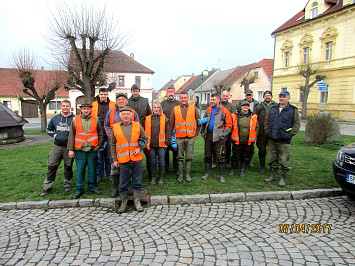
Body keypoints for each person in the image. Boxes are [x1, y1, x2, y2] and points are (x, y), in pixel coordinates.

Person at [111, 106, 148, 213]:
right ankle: (124, 202)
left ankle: (137, 201)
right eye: (124, 114)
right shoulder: (116, 127)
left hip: (136, 159)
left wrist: (140, 148)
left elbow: (145, 139)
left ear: (131, 115)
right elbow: (113, 144)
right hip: (122, 160)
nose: (126, 116)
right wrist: (115, 159)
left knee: (137, 181)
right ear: (120, 116)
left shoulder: (137, 125)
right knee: (123, 183)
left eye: (128, 114)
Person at [104, 92, 140, 198]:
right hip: (115, 145)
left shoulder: (133, 112)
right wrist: (112, 136)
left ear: (127, 101)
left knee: (128, 165)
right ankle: (115, 188)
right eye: (119, 99)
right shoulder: (111, 112)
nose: (121, 101)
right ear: (116, 101)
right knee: (115, 166)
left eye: (123, 99)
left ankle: (127, 187)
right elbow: (106, 125)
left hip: (129, 146)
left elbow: (137, 126)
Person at [67, 102, 104, 199]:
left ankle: (93, 187)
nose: (86, 110)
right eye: (84, 109)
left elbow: (101, 134)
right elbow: (71, 135)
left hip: (92, 150)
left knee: (92, 171)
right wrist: (70, 149)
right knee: (80, 171)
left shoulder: (96, 120)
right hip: (79, 150)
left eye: (88, 108)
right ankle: (79, 189)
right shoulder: (75, 120)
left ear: (90, 109)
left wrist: (98, 146)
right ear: (81, 110)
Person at [265, 90, 300, 187]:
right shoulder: (273, 109)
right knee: (272, 159)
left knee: (284, 160)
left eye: (284, 97)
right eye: (280, 96)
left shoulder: (292, 110)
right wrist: (267, 131)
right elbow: (267, 121)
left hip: (284, 140)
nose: (282, 98)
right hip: (272, 138)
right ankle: (273, 175)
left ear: (288, 98)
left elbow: (296, 123)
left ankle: (283, 178)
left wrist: (290, 134)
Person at [40, 100, 75, 197]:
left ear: (70, 107)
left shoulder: (74, 119)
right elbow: (48, 129)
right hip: (57, 146)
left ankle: (67, 184)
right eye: (63, 106)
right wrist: (54, 135)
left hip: (69, 147)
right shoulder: (55, 118)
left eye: (67, 106)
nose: (65, 108)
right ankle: (47, 186)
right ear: (61, 107)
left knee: (68, 167)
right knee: (52, 166)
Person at [200, 93, 232, 183]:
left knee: (221, 156)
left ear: (218, 100)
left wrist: (223, 135)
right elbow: (204, 121)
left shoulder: (224, 110)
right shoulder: (208, 110)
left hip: (219, 137)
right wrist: (202, 131)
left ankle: (221, 175)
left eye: (213, 100)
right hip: (209, 136)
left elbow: (229, 124)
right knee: (207, 155)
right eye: (211, 99)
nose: (211, 101)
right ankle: (207, 173)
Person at [170, 92, 200, 183]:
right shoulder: (175, 109)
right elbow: (171, 124)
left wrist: (196, 134)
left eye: (185, 98)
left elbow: (198, 122)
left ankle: (187, 175)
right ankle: (180, 175)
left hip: (190, 137)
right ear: (180, 99)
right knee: (179, 157)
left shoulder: (193, 108)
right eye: (182, 98)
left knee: (189, 157)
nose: (183, 99)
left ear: (188, 98)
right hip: (179, 137)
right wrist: (172, 137)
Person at [128, 84, 152, 178]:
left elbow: (149, 115)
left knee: (148, 153)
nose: (135, 92)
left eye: (137, 91)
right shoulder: (128, 102)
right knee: (132, 153)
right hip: (131, 131)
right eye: (133, 91)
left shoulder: (145, 101)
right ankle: (132, 174)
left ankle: (151, 173)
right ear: (131, 92)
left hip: (144, 130)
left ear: (139, 91)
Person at [92, 88, 115, 183]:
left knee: (109, 156)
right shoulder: (93, 105)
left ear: (108, 95)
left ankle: (109, 174)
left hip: (109, 135)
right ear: (99, 95)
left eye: (105, 94)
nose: (103, 96)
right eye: (102, 94)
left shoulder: (112, 105)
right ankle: (99, 175)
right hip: (97, 136)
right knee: (99, 157)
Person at [230, 101, 258, 178]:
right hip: (237, 140)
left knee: (246, 156)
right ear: (241, 107)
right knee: (235, 155)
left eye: (247, 105)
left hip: (248, 141)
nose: (245, 107)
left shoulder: (253, 116)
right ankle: (233, 169)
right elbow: (230, 126)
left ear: (249, 107)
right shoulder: (235, 116)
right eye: (243, 105)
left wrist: (255, 135)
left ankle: (242, 169)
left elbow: (257, 128)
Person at [145, 101, 171, 184]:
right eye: (154, 107)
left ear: (160, 109)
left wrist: (167, 142)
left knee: (161, 161)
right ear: (152, 109)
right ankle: (153, 177)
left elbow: (168, 131)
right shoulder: (148, 118)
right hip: (151, 144)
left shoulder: (164, 118)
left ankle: (161, 178)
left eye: (158, 107)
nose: (156, 109)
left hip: (161, 144)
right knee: (152, 161)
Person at [254, 90, 277, 174]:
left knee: (273, 150)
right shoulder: (259, 106)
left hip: (272, 131)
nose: (267, 97)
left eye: (269, 95)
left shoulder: (276, 106)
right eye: (266, 95)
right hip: (262, 132)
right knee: (262, 149)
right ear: (264, 97)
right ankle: (262, 166)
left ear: (271, 96)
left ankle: (272, 166)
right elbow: (255, 118)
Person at [161, 85, 180, 175]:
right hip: (165, 130)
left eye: (172, 92)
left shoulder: (178, 103)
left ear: (174, 93)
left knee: (176, 150)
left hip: (175, 130)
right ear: (167, 93)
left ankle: (176, 169)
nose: (170, 94)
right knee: (165, 150)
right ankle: (165, 168)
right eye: (169, 92)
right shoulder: (162, 104)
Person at [220, 90, 235, 168]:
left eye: (226, 96)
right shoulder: (217, 105)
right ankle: (217, 161)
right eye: (223, 96)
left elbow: (234, 118)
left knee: (228, 147)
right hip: (218, 130)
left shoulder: (231, 106)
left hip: (228, 130)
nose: (225, 97)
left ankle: (227, 161)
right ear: (221, 96)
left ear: (229, 97)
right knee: (217, 146)